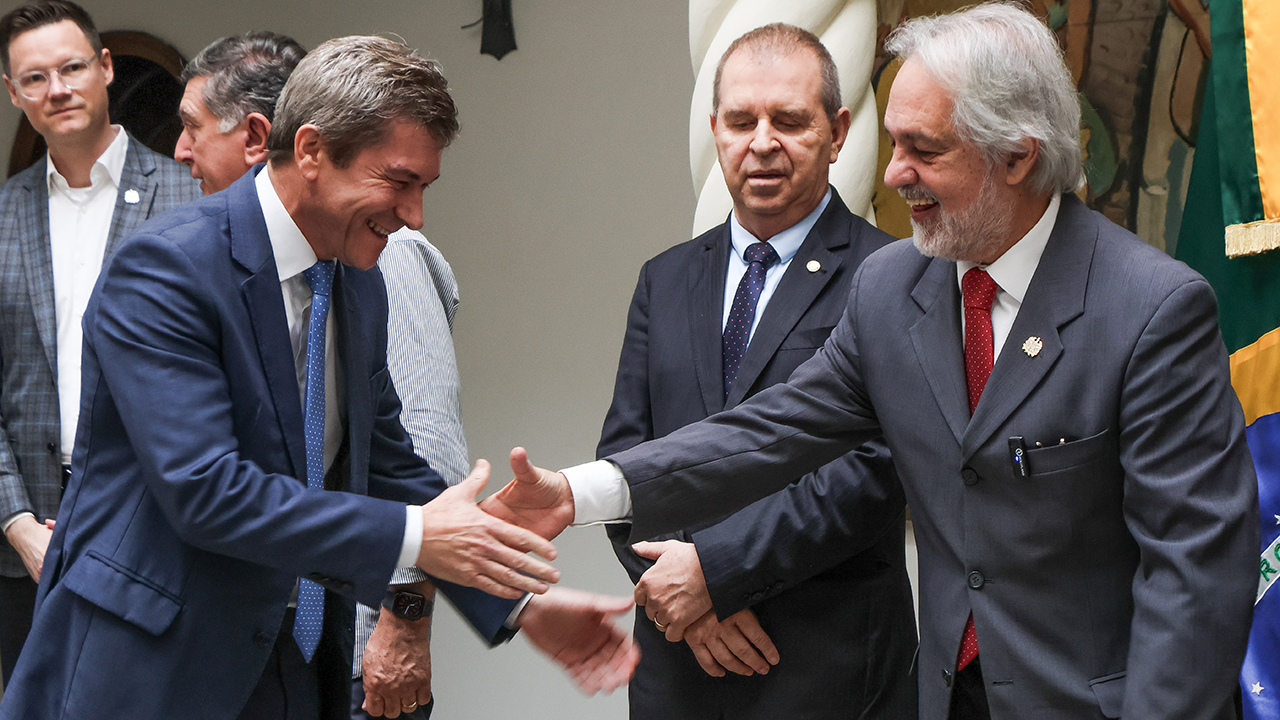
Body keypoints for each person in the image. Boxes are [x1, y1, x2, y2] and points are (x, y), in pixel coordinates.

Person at [487, 5, 1259, 720]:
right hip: (942, 697)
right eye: (894, 143)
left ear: (1018, 156)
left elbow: (1194, 576)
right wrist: (579, 492)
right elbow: (770, 432)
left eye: (925, 150)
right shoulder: (893, 288)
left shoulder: (1153, 310)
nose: (893, 174)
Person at [0, 35, 635, 720]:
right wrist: (420, 537)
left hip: (291, 669)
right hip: (145, 668)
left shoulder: (359, 283)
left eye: (425, 187)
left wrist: (517, 605)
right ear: (309, 151)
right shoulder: (164, 269)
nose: (415, 215)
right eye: (398, 182)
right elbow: (206, 490)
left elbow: (389, 463)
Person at [596, 23, 914, 719]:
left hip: (825, 668)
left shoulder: (893, 276)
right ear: (715, 130)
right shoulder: (666, 279)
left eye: (789, 121)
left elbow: (875, 468)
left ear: (837, 131)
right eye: (742, 120)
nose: (762, 142)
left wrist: (719, 575)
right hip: (680, 664)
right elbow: (625, 456)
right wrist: (687, 598)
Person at [0, 0, 200, 684]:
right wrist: (15, 520)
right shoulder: (2, 216)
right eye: (34, 78)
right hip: (26, 544)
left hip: (162, 530)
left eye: (72, 67)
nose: (56, 89)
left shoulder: (192, 198)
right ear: (12, 92)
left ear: (106, 68)